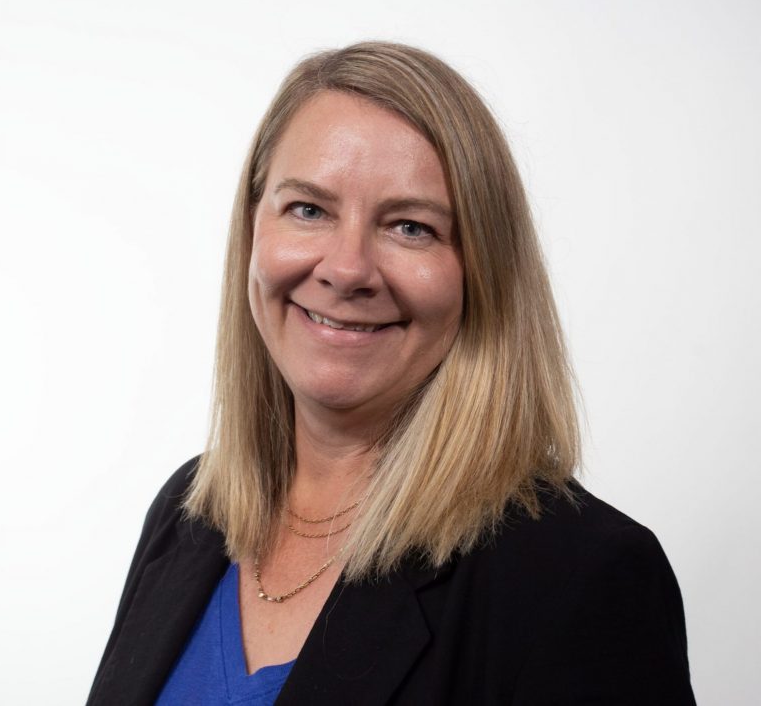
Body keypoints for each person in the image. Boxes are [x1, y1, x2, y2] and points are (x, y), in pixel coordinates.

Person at [87, 42, 696, 705]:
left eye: (410, 227)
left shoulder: (581, 577)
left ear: (482, 273)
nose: (348, 270)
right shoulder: (186, 516)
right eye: (309, 210)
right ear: (252, 230)